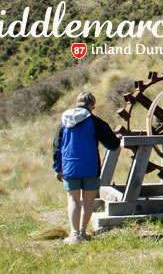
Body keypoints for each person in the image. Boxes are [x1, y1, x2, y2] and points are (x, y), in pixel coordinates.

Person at [52, 91, 121, 245]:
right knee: (88, 200)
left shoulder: (64, 121)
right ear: (91, 105)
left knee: (73, 200)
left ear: (78, 103)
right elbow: (112, 144)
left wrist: (58, 168)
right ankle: (83, 231)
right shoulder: (95, 121)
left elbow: (57, 146)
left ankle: (74, 235)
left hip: (70, 166)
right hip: (90, 166)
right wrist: (118, 138)